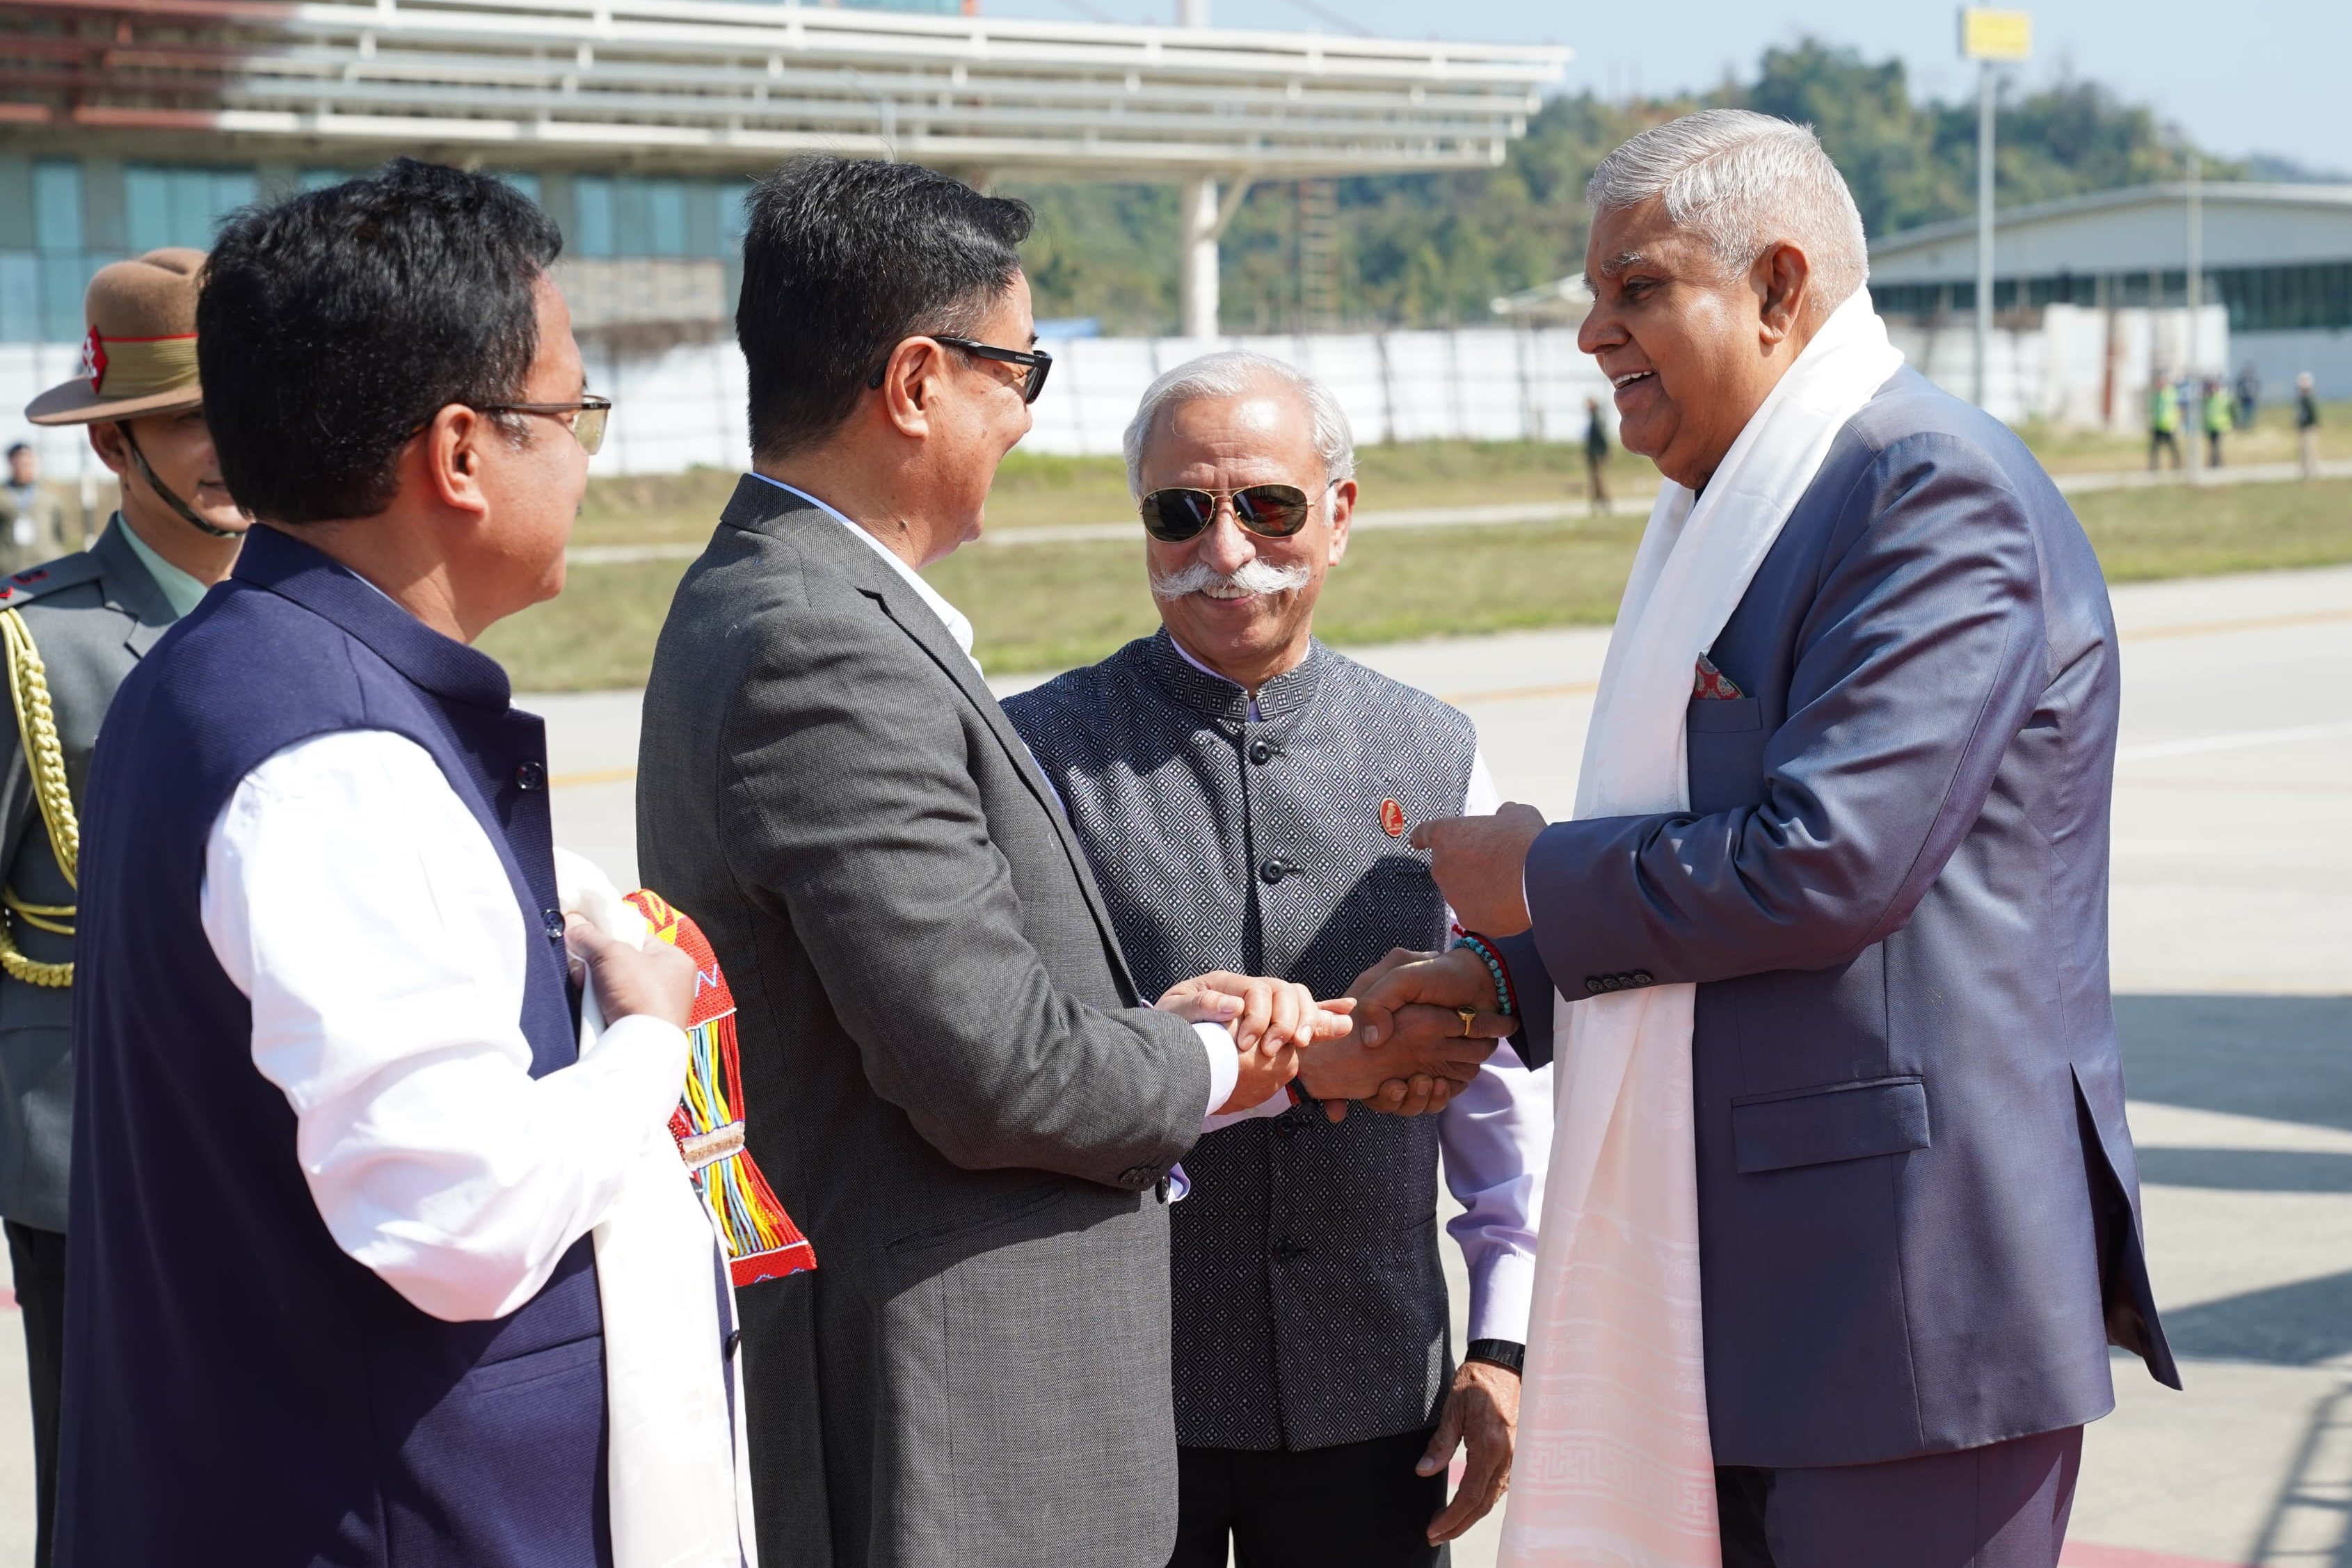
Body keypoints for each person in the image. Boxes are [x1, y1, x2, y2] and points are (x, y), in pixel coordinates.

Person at [1366, 110, 2177, 1568]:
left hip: (1901, 1302)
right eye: (1590, 293)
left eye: (1636, 288)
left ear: (1778, 286)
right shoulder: (1727, 516)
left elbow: (1824, 862)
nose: (1590, 334)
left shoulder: (1923, 492)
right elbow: (1715, 865)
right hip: (1736, 1289)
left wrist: (1534, 881)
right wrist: (1508, 983)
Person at [635, 157, 1458, 1568]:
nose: (1024, 412)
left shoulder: (803, 609)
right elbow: (995, 1070)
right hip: (955, 1417)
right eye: (1017, 368)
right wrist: (1257, 1061)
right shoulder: (818, 646)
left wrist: (1158, 1030)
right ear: (914, 382)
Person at [57, 160, 707, 1565]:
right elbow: (457, 1215)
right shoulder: (333, 753)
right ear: (462, 453)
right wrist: (648, 1034)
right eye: (572, 411)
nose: (587, 456)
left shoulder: (222, 672)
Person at [1004, 351, 1547, 1568]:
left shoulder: (1436, 750)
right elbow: (1014, 1057)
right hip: (1125, 1390)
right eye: (1180, 511)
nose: (1226, 547)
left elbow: (1505, 1086)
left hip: (1375, 1397)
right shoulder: (1036, 755)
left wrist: (1501, 1343)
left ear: (1340, 516)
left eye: (1268, 504)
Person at [3, 247, 250, 1568]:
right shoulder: (35, 644)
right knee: (105, 1502)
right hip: (88, 1158)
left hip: (273, 1132)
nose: (227, 447)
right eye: (186, 418)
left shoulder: (314, 619)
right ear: (113, 445)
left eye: (244, 407)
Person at [1, 443, 77, 573]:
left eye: (28, 463)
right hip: (10, 570)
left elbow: (61, 533)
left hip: (47, 567)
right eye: (19, 463)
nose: (23, 468)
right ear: (11, 464)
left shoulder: (50, 496)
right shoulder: (3, 496)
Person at [1581, 396, 1612, 513]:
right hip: (1593, 457)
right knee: (1595, 482)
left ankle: (1603, 505)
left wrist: (1603, 455)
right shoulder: (1594, 421)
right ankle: (1595, 506)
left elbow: (1602, 440)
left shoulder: (1597, 422)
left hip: (1597, 457)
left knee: (1599, 481)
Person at [2147, 373, 2181, 470]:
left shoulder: (2171, 393)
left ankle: (2177, 465)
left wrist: (2176, 423)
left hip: (2169, 426)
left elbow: (2177, 409)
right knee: (2155, 449)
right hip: (2158, 426)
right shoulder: (2156, 395)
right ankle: (2153, 467)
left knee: (2173, 448)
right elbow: (2153, 411)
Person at [2202, 374, 2233, 467]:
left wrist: (2229, 424)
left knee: (2217, 447)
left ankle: (2217, 463)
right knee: (2213, 447)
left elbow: (2229, 412)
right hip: (2211, 426)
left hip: (2220, 426)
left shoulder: (2222, 399)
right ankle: (2214, 463)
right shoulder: (2207, 400)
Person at [2296, 371, 2321, 479]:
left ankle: (2312, 469)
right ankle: (2305, 469)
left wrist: (2315, 423)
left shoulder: (2309, 399)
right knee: (2304, 450)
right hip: (2303, 427)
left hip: (2309, 427)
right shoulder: (2302, 399)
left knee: (2310, 449)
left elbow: (2313, 413)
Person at [2234, 361, 2260, 429]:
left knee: (2250, 412)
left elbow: (2257, 388)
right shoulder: (2242, 380)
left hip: (2251, 399)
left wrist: (2255, 395)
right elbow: (2238, 388)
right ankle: (2244, 425)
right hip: (2243, 398)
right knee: (2244, 413)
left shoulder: (2254, 380)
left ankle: (2249, 425)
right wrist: (2240, 395)